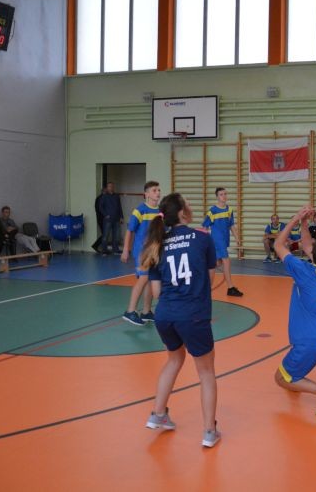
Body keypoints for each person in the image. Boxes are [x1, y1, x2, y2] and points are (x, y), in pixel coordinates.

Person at [140, 193, 221, 448]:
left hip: (165, 315)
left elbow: (156, 293)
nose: (191, 204)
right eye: (188, 202)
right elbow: (209, 279)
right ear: (183, 212)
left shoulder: (158, 243)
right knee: (206, 372)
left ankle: (158, 414)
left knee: (174, 359)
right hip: (193, 314)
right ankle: (209, 431)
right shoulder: (203, 238)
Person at [273, 205, 316, 417]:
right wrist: (305, 223)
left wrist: (296, 218)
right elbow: (306, 245)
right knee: (294, 370)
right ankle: (298, 378)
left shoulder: (304, 271)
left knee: (280, 378)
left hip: (313, 340)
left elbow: (278, 245)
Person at [121, 181, 162, 326]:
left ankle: (146, 312)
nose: (158, 193)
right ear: (146, 194)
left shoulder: (160, 212)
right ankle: (130, 311)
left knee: (151, 279)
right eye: (154, 190)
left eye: (158, 190)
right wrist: (126, 249)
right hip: (141, 251)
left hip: (154, 251)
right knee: (144, 278)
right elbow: (130, 231)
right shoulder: (140, 210)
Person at [202, 187, 243, 297]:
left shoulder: (229, 210)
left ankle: (202, 280)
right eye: (221, 194)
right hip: (216, 240)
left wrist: (237, 238)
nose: (224, 196)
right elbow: (205, 227)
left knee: (216, 263)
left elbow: (231, 225)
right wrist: (204, 242)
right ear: (217, 197)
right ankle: (230, 288)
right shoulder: (212, 211)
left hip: (225, 240)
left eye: (225, 194)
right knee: (226, 261)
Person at [99, 182, 123, 255]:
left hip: (116, 219)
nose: (111, 187)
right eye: (109, 186)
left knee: (116, 236)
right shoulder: (104, 196)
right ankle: (104, 251)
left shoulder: (116, 196)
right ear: (107, 188)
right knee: (105, 236)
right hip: (108, 220)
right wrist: (106, 215)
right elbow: (100, 207)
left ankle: (115, 250)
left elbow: (119, 207)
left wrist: (121, 217)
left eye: (112, 186)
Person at [91, 184, 105, 253]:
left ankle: (98, 246)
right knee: (105, 234)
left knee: (105, 234)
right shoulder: (101, 198)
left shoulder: (99, 198)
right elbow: (99, 209)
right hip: (102, 219)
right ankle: (96, 245)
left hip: (100, 218)